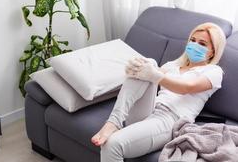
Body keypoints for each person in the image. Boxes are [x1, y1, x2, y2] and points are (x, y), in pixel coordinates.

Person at [91, 22, 227, 162]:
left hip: (170, 119)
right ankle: (114, 122)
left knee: (112, 144)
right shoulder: (172, 66)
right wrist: (133, 70)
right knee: (148, 63)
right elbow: (144, 79)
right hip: (149, 109)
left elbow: (187, 87)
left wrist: (154, 75)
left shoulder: (214, 72)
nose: (195, 45)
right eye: (192, 40)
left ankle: (114, 124)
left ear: (213, 51)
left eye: (202, 44)